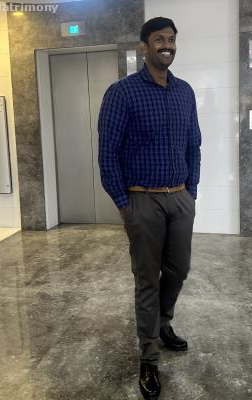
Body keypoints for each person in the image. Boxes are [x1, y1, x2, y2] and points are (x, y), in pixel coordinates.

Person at [98, 17, 201, 400]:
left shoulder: (185, 91)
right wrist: (124, 204)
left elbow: (193, 145)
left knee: (178, 269)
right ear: (144, 46)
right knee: (146, 280)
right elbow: (107, 154)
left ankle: (163, 323)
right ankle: (148, 358)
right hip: (141, 199)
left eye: (171, 39)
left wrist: (191, 192)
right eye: (159, 39)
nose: (167, 45)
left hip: (180, 197)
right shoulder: (122, 93)